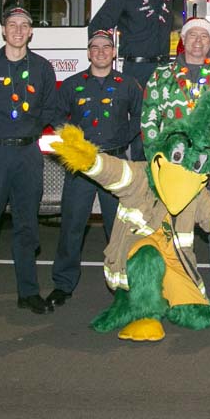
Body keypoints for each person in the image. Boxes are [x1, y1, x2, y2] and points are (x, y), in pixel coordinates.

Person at [0, 6, 61, 323]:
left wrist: (29, 129)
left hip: (27, 156)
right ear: (3, 30)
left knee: (27, 227)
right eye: (12, 24)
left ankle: (28, 292)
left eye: (24, 25)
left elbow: (49, 108)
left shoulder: (43, 69)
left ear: (31, 32)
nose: (18, 30)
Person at [140, 17, 210, 309]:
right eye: (193, 36)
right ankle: (174, 283)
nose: (198, 41)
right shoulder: (161, 75)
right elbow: (149, 119)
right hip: (172, 169)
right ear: (183, 40)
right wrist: (155, 161)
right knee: (169, 227)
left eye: (204, 37)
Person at [88, 0, 210, 157]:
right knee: (140, 122)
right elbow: (97, 26)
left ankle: (161, 173)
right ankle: (140, 173)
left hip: (164, 68)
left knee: (164, 120)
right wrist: (105, 53)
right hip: (135, 69)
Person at [46, 30, 142, 307]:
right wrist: (73, 141)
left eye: (106, 47)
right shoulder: (72, 85)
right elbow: (55, 116)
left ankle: (123, 285)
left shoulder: (128, 84)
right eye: (95, 47)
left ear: (114, 53)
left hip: (114, 164)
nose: (100, 51)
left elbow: (140, 116)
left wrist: (121, 138)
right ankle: (63, 285)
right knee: (72, 226)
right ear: (88, 53)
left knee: (119, 228)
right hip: (82, 167)